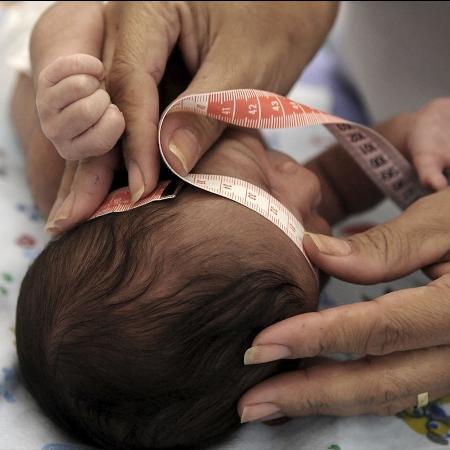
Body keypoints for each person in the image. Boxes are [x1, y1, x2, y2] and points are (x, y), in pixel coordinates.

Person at [10, 0, 450, 435]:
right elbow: (339, 181)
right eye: (319, 258)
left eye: (266, 181)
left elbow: (62, 19)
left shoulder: (78, 166)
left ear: (141, 187)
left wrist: (66, 71)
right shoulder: (261, 244)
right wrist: (412, 137)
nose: (314, 188)